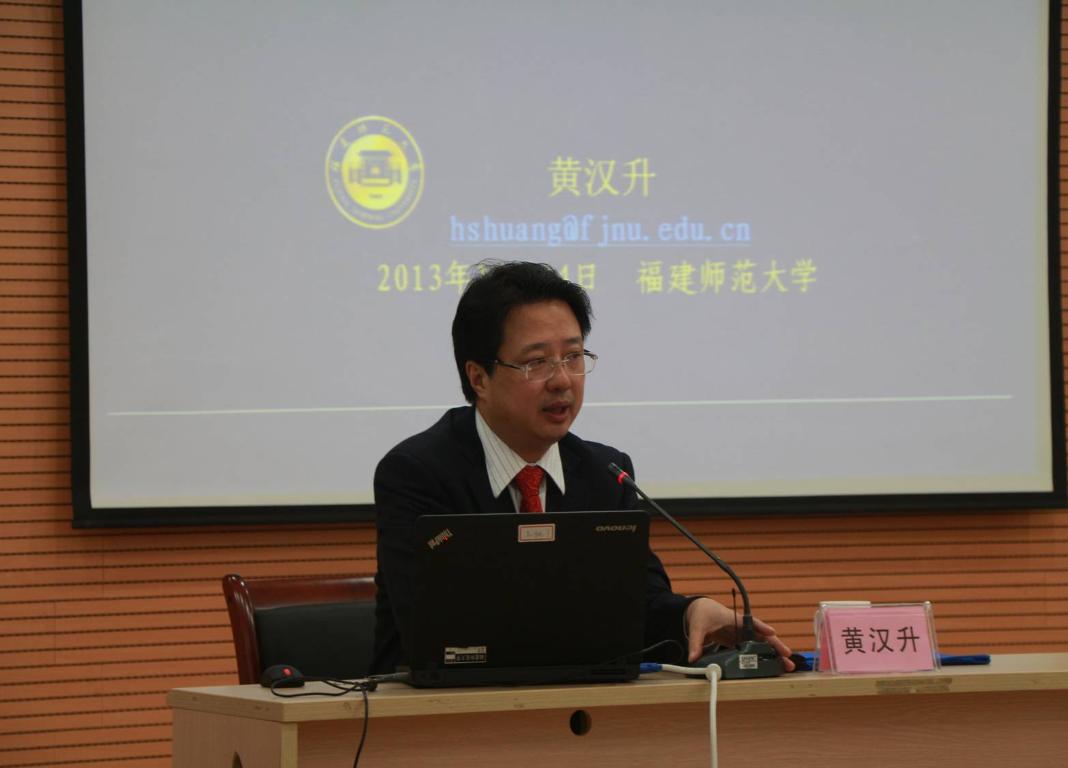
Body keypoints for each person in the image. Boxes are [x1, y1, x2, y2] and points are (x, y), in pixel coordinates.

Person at [370, 261, 792, 675]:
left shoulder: (606, 473)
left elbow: (639, 604)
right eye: (537, 362)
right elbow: (430, 627)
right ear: (479, 378)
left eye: (573, 356)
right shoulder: (417, 474)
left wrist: (690, 613)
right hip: (434, 709)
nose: (562, 380)